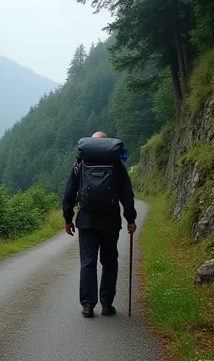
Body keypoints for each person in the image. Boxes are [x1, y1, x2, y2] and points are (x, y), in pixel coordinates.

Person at [62, 131, 137, 318]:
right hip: (110, 222)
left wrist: (68, 219)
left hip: (86, 222)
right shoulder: (116, 165)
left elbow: (69, 193)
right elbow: (127, 194)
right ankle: (106, 304)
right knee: (109, 262)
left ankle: (88, 305)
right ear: (108, 144)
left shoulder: (80, 165)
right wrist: (130, 219)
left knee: (88, 262)